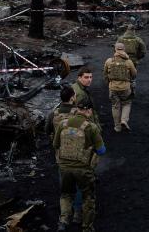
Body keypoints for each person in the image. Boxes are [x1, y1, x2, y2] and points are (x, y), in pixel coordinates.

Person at [53, 98, 106, 232]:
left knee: (66, 194)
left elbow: (55, 145)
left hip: (64, 167)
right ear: (89, 110)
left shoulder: (63, 124)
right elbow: (101, 150)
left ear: (77, 109)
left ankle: (63, 220)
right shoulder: (91, 127)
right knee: (88, 197)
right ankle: (86, 227)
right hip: (83, 169)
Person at [45, 86, 83, 224]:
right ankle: (78, 212)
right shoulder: (80, 114)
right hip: (78, 155)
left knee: (65, 188)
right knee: (79, 185)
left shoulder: (53, 114)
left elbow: (47, 130)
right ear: (73, 97)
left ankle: (65, 216)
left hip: (61, 155)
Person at [103, 42, 137, 132]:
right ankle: (124, 120)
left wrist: (109, 85)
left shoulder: (109, 61)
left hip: (113, 88)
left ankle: (117, 127)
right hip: (125, 88)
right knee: (126, 103)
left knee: (115, 106)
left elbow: (105, 75)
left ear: (115, 49)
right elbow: (134, 74)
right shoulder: (128, 62)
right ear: (124, 50)